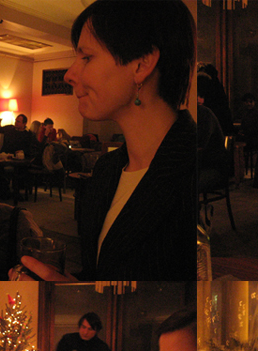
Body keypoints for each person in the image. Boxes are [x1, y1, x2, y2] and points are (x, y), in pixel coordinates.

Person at [18, 0, 197, 281]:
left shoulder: (192, 172)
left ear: (142, 64)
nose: (69, 75)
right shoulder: (106, 170)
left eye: (86, 57)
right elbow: (101, 275)